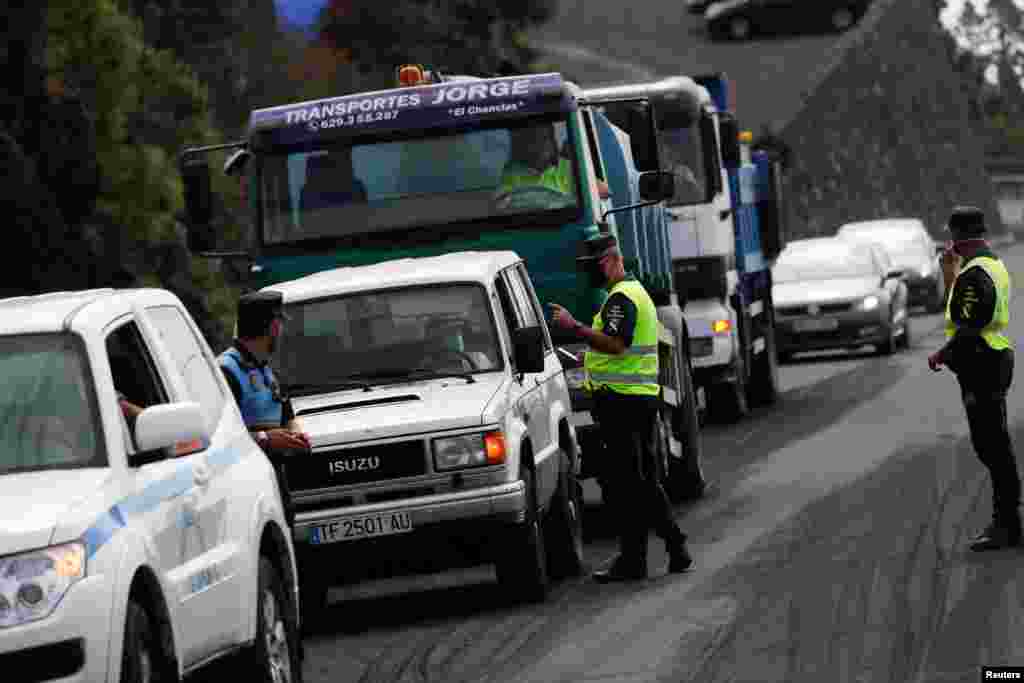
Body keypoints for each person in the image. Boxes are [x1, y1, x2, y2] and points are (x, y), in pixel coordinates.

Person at [549, 234, 693, 581]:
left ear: (613, 260)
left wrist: (574, 327)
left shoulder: (621, 298)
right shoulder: (632, 293)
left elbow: (615, 344)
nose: (593, 273)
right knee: (637, 482)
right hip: (632, 400)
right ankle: (661, 552)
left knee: (629, 484)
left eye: (596, 265)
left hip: (623, 403)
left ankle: (648, 555)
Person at [928, 206, 1022, 551]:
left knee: (993, 448)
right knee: (995, 447)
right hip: (992, 360)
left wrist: (944, 354)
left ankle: (1008, 525)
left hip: (982, 365)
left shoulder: (973, 274)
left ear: (955, 238)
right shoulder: (990, 265)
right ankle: (1008, 522)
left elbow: (967, 326)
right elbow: (967, 315)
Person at [218, 291, 312, 457]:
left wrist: (296, 435)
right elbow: (220, 438)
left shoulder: (267, 369)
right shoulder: (226, 372)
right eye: (280, 324)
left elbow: (288, 417)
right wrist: (264, 438)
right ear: (274, 327)